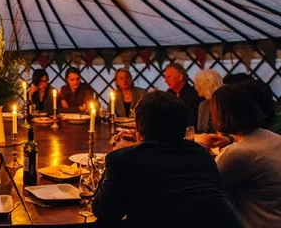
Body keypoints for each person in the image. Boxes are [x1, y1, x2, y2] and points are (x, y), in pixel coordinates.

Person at [92, 91, 243, 228]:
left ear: (138, 126)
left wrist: (121, 153)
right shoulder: (201, 154)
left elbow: (103, 211)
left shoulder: (123, 161)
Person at [210, 85, 281, 228]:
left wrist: (200, 148)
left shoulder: (238, 154)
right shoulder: (274, 138)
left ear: (220, 115)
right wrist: (231, 139)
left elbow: (206, 185)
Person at [164, 62, 203, 127]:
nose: (165, 80)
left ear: (180, 77)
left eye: (169, 77)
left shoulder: (193, 95)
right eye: (165, 77)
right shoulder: (167, 95)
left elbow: (192, 120)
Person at [193, 69, 222, 134]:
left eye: (197, 83)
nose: (195, 87)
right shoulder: (203, 105)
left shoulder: (225, 103)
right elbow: (200, 130)